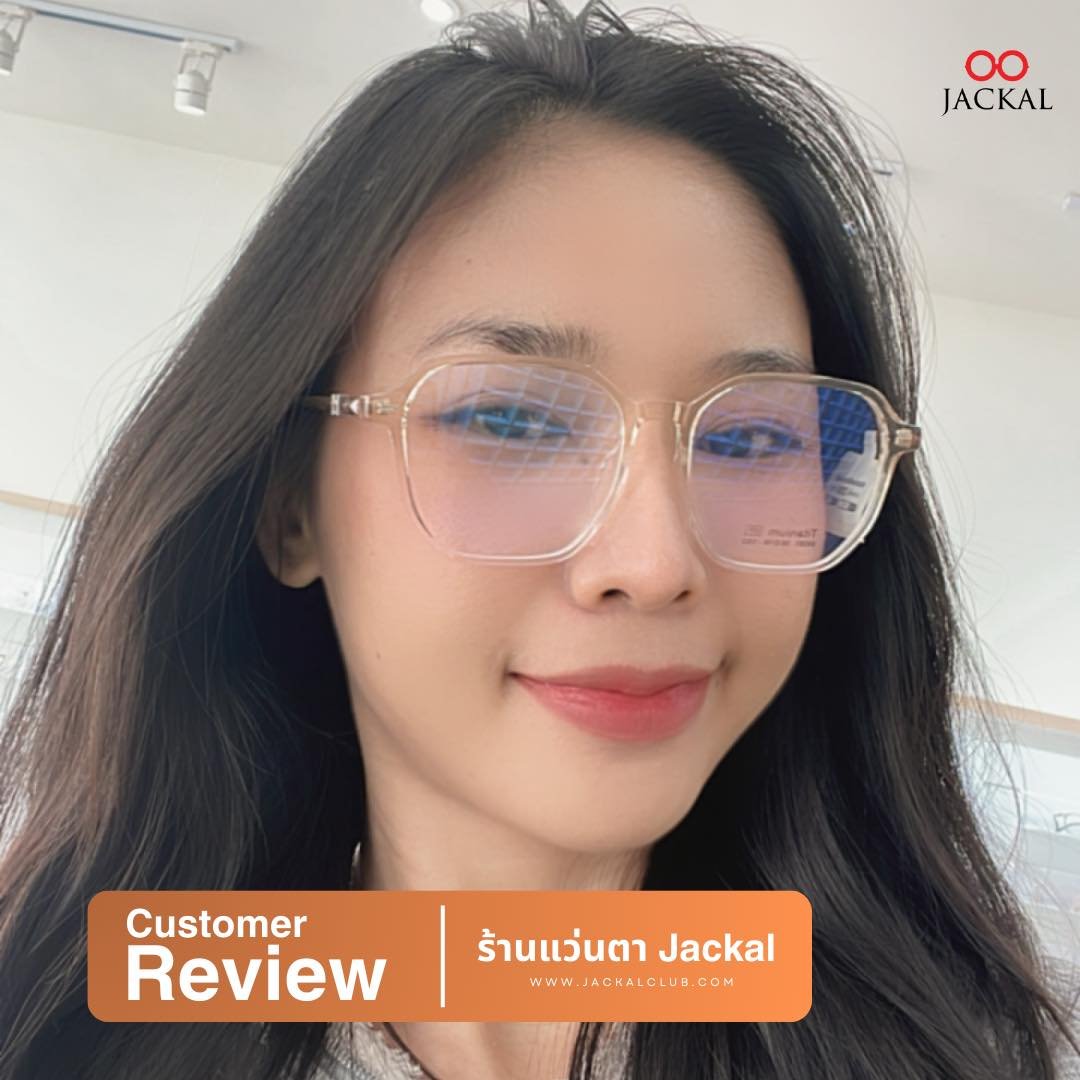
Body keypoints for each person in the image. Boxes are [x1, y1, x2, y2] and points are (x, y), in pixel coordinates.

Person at [0, 0, 1077, 1077]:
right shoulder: (59, 1029)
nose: (654, 565)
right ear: (290, 507)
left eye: (752, 436)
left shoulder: (980, 1044)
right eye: (512, 421)